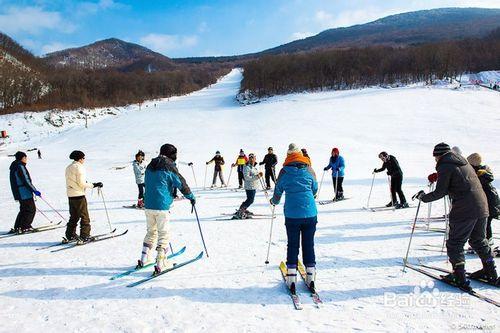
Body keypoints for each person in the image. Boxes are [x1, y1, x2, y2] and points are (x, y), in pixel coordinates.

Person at [415, 143, 498, 286]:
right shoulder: (463, 161)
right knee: (478, 240)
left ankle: (459, 276)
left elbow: (441, 191)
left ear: (439, 155)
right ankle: (490, 271)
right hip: (482, 206)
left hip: (465, 209)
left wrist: (423, 197)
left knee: (455, 243)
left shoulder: (445, 164)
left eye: (435, 157)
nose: (435, 160)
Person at [138, 143, 196, 274]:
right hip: (161, 205)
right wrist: (191, 196)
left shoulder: (150, 165)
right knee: (163, 233)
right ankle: (160, 262)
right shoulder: (169, 166)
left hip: (148, 204)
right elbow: (181, 183)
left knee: (151, 231)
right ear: (172, 154)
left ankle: (144, 258)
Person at [271, 143, 318, 293]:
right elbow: (315, 188)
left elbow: (278, 190)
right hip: (310, 213)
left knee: (293, 244)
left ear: (288, 156)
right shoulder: (309, 168)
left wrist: (274, 201)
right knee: (308, 243)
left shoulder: (284, 171)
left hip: (292, 215)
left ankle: (291, 278)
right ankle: (311, 276)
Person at [65, 150, 103, 242]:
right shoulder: (79, 167)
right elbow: (81, 183)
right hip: (79, 195)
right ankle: (85, 235)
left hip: (71, 195)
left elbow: (74, 181)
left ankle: (70, 234)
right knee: (84, 216)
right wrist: (93, 185)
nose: (84, 160)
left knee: (74, 216)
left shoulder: (69, 167)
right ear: (80, 158)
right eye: (83, 158)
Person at [467, 153, 500, 245]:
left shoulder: (480, 174)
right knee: (485, 223)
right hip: (490, 202)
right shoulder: (482, 172)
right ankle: (486, 240)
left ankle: (485, 242)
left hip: (488, 202)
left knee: (484, 223)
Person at [9, 151, 41, 233]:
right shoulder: (20, 166)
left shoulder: (14, 166)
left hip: (18, 192)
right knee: (31, 209)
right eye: (25, 157)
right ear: (23, 158)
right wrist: (34, 190)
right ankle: (25, 226)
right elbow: (26, 180)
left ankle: (18, 226)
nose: (26, 159)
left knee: (23, 209)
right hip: (24, 192)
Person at [233, 153, 262, 219]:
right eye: (250, 158)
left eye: (253, 157)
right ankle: (241, 210)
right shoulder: (246, 167)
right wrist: (257, 176)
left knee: (250, 199)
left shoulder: (253, 166)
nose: (251, 159)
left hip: (253, 186)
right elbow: (247, 177)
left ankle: (242, 209)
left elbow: (254, 174)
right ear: (249, 159)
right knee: (250, 200)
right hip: (249, 186)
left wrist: (259, 175)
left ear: (255, 158)